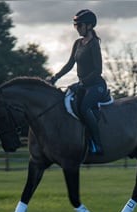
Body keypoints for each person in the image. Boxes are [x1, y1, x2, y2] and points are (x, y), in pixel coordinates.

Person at [49, 9, 107, 155]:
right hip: (84, 85)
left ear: (89, 26)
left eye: (79, 26)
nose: (77, 29)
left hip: (96, 85)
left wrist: (82, 83)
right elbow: (70, 65)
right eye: (76, 26)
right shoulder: (77, 43)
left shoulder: (94, 44)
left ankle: (98, 144)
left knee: (84, 108)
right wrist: (56, 77)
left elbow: (97, 70)